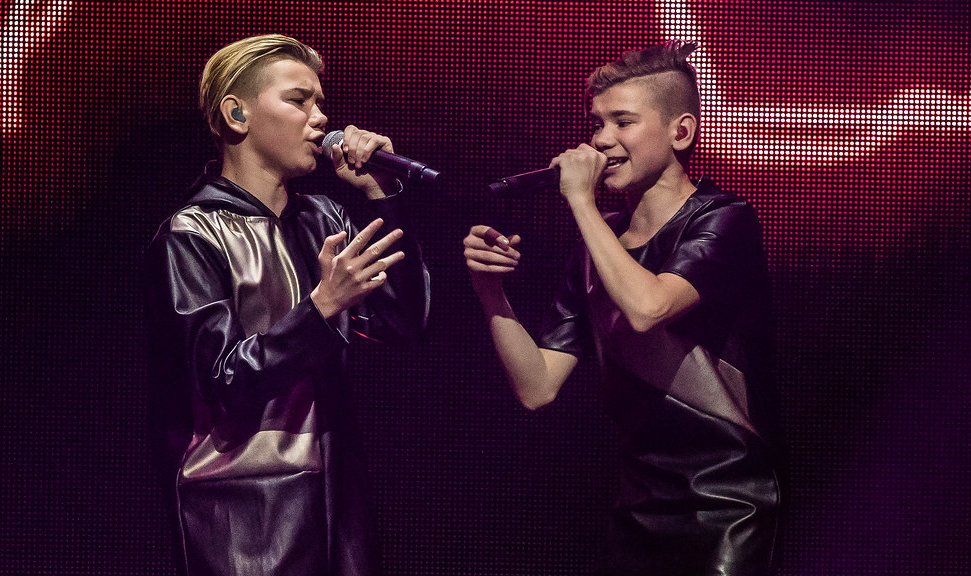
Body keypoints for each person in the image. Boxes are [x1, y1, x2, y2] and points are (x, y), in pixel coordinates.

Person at [463, 41, 783, 575]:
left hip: (727, 503)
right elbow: (537, 387)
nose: (600, 140)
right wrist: (490, 291)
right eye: (597, 123)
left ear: (681, 132)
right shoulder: (599, 243)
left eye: (623, 122)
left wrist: (580, 201)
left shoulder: (723, 219)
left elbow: (648, 307)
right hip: (637, 506)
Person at [143, 34, 430, 576]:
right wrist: (320, 309)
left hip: (340, 503)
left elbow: (401, 325)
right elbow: (224, 382)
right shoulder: (192, 233)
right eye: (299, 101)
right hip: (246, 512)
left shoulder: (325, 217)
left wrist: (382, 196)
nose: (321, 119)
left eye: (320, 103)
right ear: (237, 114)